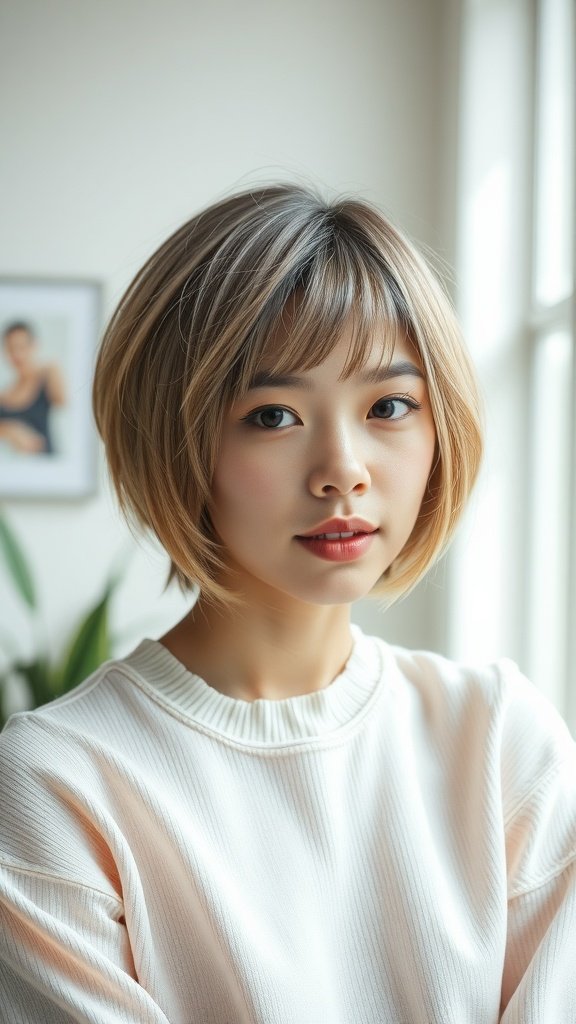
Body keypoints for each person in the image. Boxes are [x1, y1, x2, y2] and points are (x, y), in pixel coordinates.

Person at [0, 184, 574, 1023]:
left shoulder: (499, 742)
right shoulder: (61, 780)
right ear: (176, 437)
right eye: (272, 415)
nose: (342, 469)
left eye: (389, 406)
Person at [0, 320, 67, 455]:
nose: (17, 355)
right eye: (11, 348)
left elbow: (63, 401)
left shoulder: (48, 374)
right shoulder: (4, 394)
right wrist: (11, 431)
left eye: (22, 347)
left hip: (47, 464)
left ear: (34, 346)